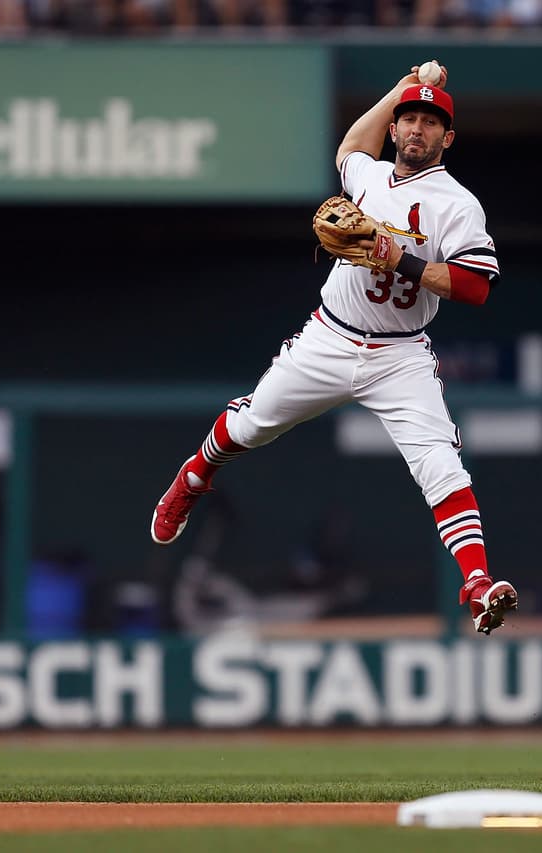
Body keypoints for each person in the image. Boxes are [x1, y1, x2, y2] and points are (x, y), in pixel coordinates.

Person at [150, 63, 519, 635]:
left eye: (430, 122)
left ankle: (476, 585)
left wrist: (401, 259)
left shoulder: (458, 205)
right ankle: (194, 476)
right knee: (251, 428)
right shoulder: (369, 178)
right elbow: (350, 145)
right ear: (395, 130)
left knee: (441, 464)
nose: (417, 129)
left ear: (448, 139)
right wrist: (401, 88)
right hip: (331, 334)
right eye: (409, 120)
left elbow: (475, 286)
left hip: (400, 354)